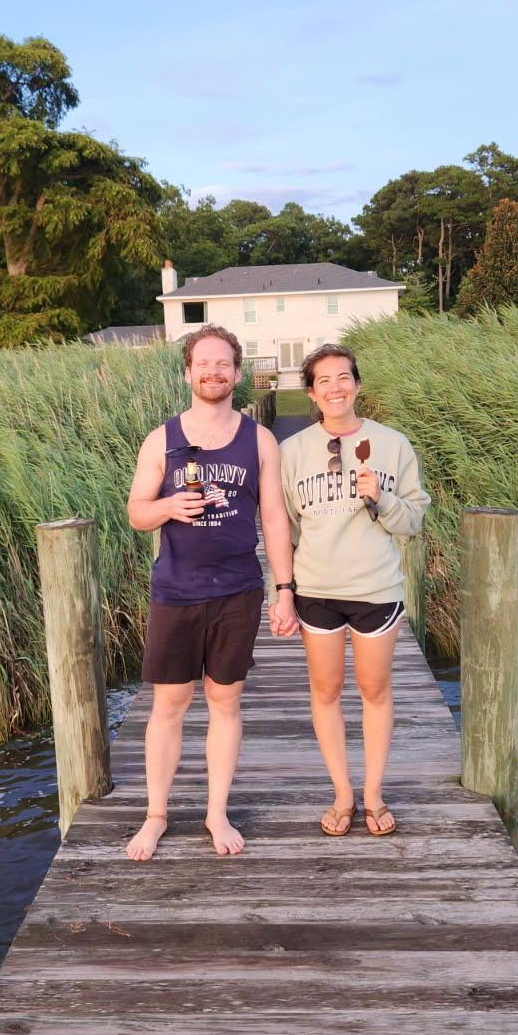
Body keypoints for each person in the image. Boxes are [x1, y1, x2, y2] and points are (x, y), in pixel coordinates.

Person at [125, 325, 299, 861]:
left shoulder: (259, 439)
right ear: (188, 372)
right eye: (204, 363)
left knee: (225, 702)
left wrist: (284, 590)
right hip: (176, 590)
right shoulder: (163, 438)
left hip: (238, 590)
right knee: (170, 704)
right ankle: (156, 815)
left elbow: (273, 517)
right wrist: (168, 508)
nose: (213, 372)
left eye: (224, 363)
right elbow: (135, 512)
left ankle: (215, 811)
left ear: (238, 373)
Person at [280, 344, 430, 837]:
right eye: (324, 380)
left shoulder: (393, 445)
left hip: (375, 589)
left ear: (357, 385)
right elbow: (284, 529)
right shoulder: (292, 452)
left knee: (375, 690)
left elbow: (411, 522)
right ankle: (342, 793)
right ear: (311, 392)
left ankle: (373, 795)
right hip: (317, 589)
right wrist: (280, 590)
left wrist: (381, 497)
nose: (335, 387)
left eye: (344, 377)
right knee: (325, 692)